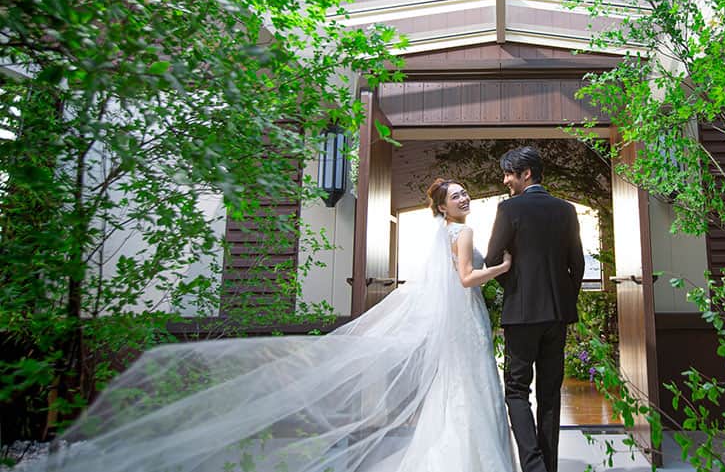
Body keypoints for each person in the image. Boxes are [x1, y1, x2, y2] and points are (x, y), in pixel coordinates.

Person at [26, 179, 515, 472]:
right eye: (456, 195)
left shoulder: (441, 232)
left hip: (460, 320)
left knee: (458, 387)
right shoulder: (463, 231)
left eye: (465, 193)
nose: (464, 198)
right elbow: (465, 279)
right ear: (442, 206)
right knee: (468, 386)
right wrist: (501, 268)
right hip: (466, 318)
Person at [485, 147, 585, 472]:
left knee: (516, 390)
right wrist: (563, 299)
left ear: (526, 173)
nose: (505, 180)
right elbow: (577, 264)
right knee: (550, 393)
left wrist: (516, 290)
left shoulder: (509, 208)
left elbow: (492, 260)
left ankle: (532, 466)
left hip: (521, 315)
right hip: (557, 316)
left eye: (508, 174)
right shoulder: (566, 210)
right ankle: (548, 467)